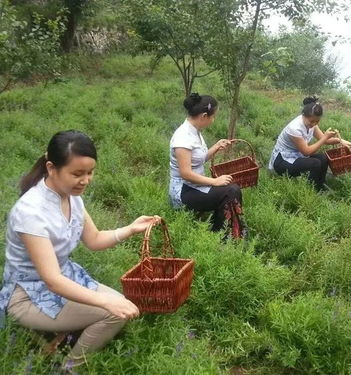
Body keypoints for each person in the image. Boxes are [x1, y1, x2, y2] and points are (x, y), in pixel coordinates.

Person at [0, 130, 158, 370]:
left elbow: (94, 239)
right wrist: (104, 303)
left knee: (120, 304)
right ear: (51, 168)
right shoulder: (31, 213)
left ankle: (61, 337)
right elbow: (51, 280)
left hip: (65, 277)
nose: (85, 180)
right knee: (114, 312)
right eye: (77, 174)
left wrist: (131, 228)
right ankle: (70, 366)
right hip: (28, 295)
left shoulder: (71, 196)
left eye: (90, 172)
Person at [169, 93, 246, 238]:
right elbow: (186, 173)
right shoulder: (183, 138)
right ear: (204, 116)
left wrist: (216, 147)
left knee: (230, 187)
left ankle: (224, 228)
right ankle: (223, 234)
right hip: (183, 190)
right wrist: (215, 182)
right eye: (212, 116)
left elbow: (198, 159)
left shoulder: (195, 132)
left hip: (194, 185)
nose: (213, 120)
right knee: (230, 191)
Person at [268, 96, 351, 191]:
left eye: (317, 121)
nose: (314, 124)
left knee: (323, 158)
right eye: (311, 121)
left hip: (296, 155)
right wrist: (325, 138)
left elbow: (325, 140)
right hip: (282, 161)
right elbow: (307, 152)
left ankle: (320, 185)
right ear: (303, 115)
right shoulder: (294, 128)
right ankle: (312, 190)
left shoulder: (312, 124)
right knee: (315, 164)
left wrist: (340, 140)